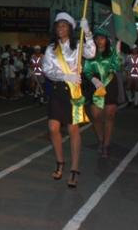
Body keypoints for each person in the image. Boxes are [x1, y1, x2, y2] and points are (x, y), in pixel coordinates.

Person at [42, 12, 95, 188]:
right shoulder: (51, 49)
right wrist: (65, 75)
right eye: (58, 25)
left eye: (64, 25)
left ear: (71, 28)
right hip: (58, 91)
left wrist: (87, 32)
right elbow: (47, 70)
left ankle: (74, 169)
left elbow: (92, 53)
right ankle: (60, 161)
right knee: (53, 128)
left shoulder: (78, 45)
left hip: (73, 92)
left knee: (73, 130)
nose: (61, 28)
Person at [84, 28, 123, 159]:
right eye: (97, 38)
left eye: (102, 38)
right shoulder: (90, 53)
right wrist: (93, 80)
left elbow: (117, 67)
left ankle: (106, 145)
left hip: (110, 83)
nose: (99, 41)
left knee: (110, 115)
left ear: (107, 40)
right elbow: (86, 70)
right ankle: (100, 139)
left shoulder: (111, 52)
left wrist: (117, 53)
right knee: (96, 116)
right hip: (95, 84)